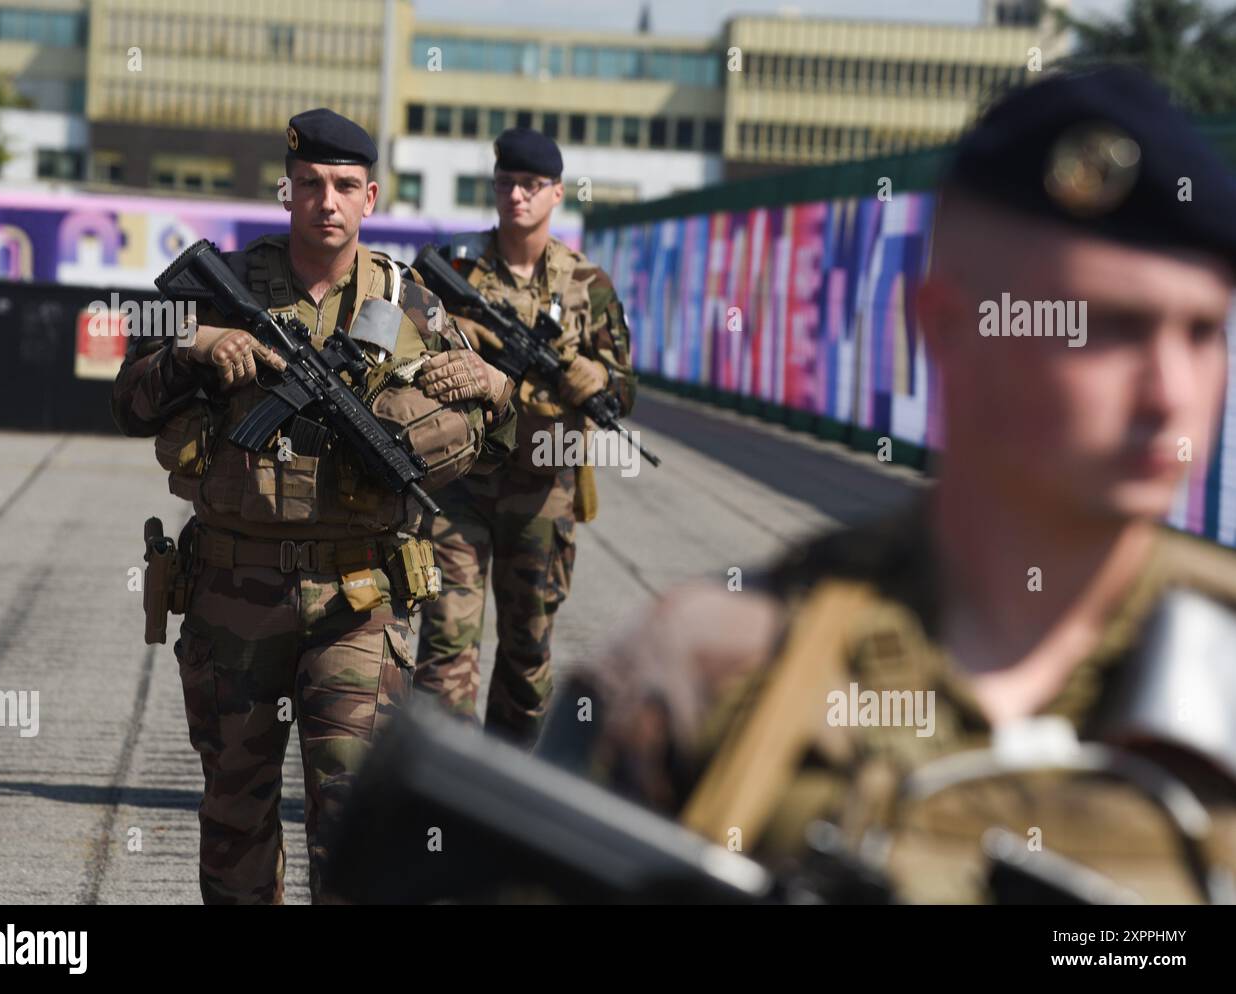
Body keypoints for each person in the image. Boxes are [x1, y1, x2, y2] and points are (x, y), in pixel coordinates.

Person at [558, 67, 1236, 903]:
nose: (1172, 391)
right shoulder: (716, 671)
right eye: (1107, 329)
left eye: (1204, 331)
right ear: (948, 329)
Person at [111, 108, 516, 904]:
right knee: (235, 818)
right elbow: (128, 403)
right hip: (233, 593)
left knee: (355, 825)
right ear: (286, 192)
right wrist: (196, 353)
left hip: (357, 599)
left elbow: (489, 447)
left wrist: (500, 394)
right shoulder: (222, 286)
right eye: (308, 185)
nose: (325, 201)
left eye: (342, 187)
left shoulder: (415, 307)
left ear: (370, 196)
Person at [411, 127, 637, 747]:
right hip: (459, 480)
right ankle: (444, 786)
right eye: (506, 183)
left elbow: (623, 390)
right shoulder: (453, 265)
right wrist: (444, 326)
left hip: (543, 490)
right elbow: (396, 345)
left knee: (527, 650)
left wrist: (600, 379)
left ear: (557, 193)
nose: (517, 196)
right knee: (445, 645)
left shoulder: (587, 284)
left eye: (531, 186)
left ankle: (508, 781)